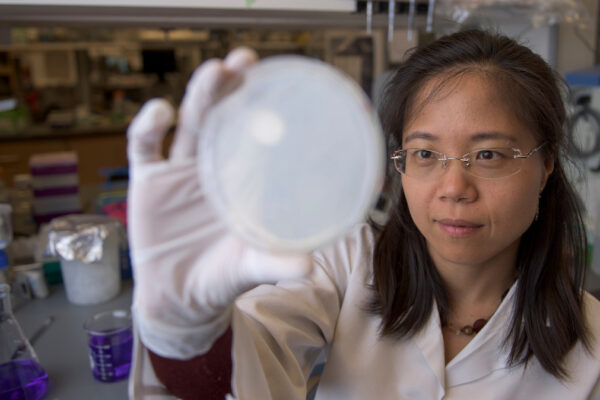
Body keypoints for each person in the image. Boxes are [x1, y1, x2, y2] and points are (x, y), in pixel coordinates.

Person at [126, 29, 600, 399]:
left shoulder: (593, 346)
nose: (453, 188)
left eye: (490, 155)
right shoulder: (344, 264)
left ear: (545, 167)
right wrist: (185, 332)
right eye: (425, 154)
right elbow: (236, 379)